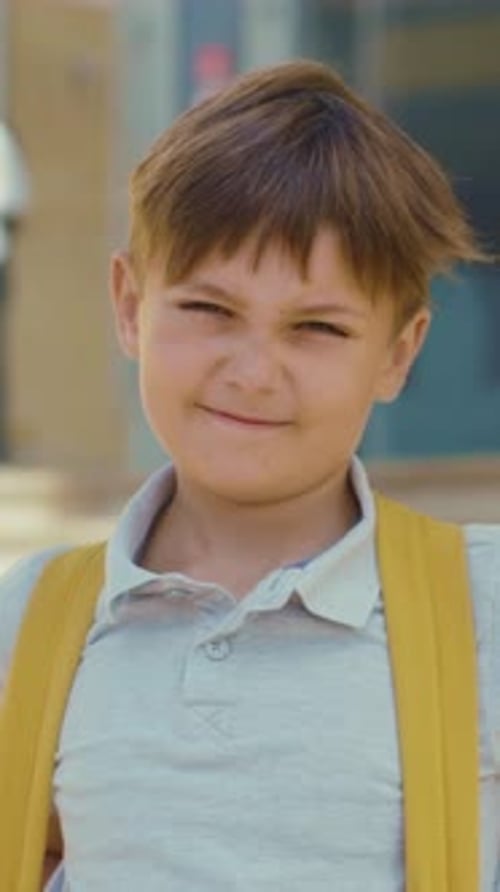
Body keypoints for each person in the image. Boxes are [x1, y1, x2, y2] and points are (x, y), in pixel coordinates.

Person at [0, 59, 498, 891]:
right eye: (209, 310)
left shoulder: (481, 604)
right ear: (130, 306)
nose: (254, 371)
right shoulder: (36, 619)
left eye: (316, 328)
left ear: (398, 352)